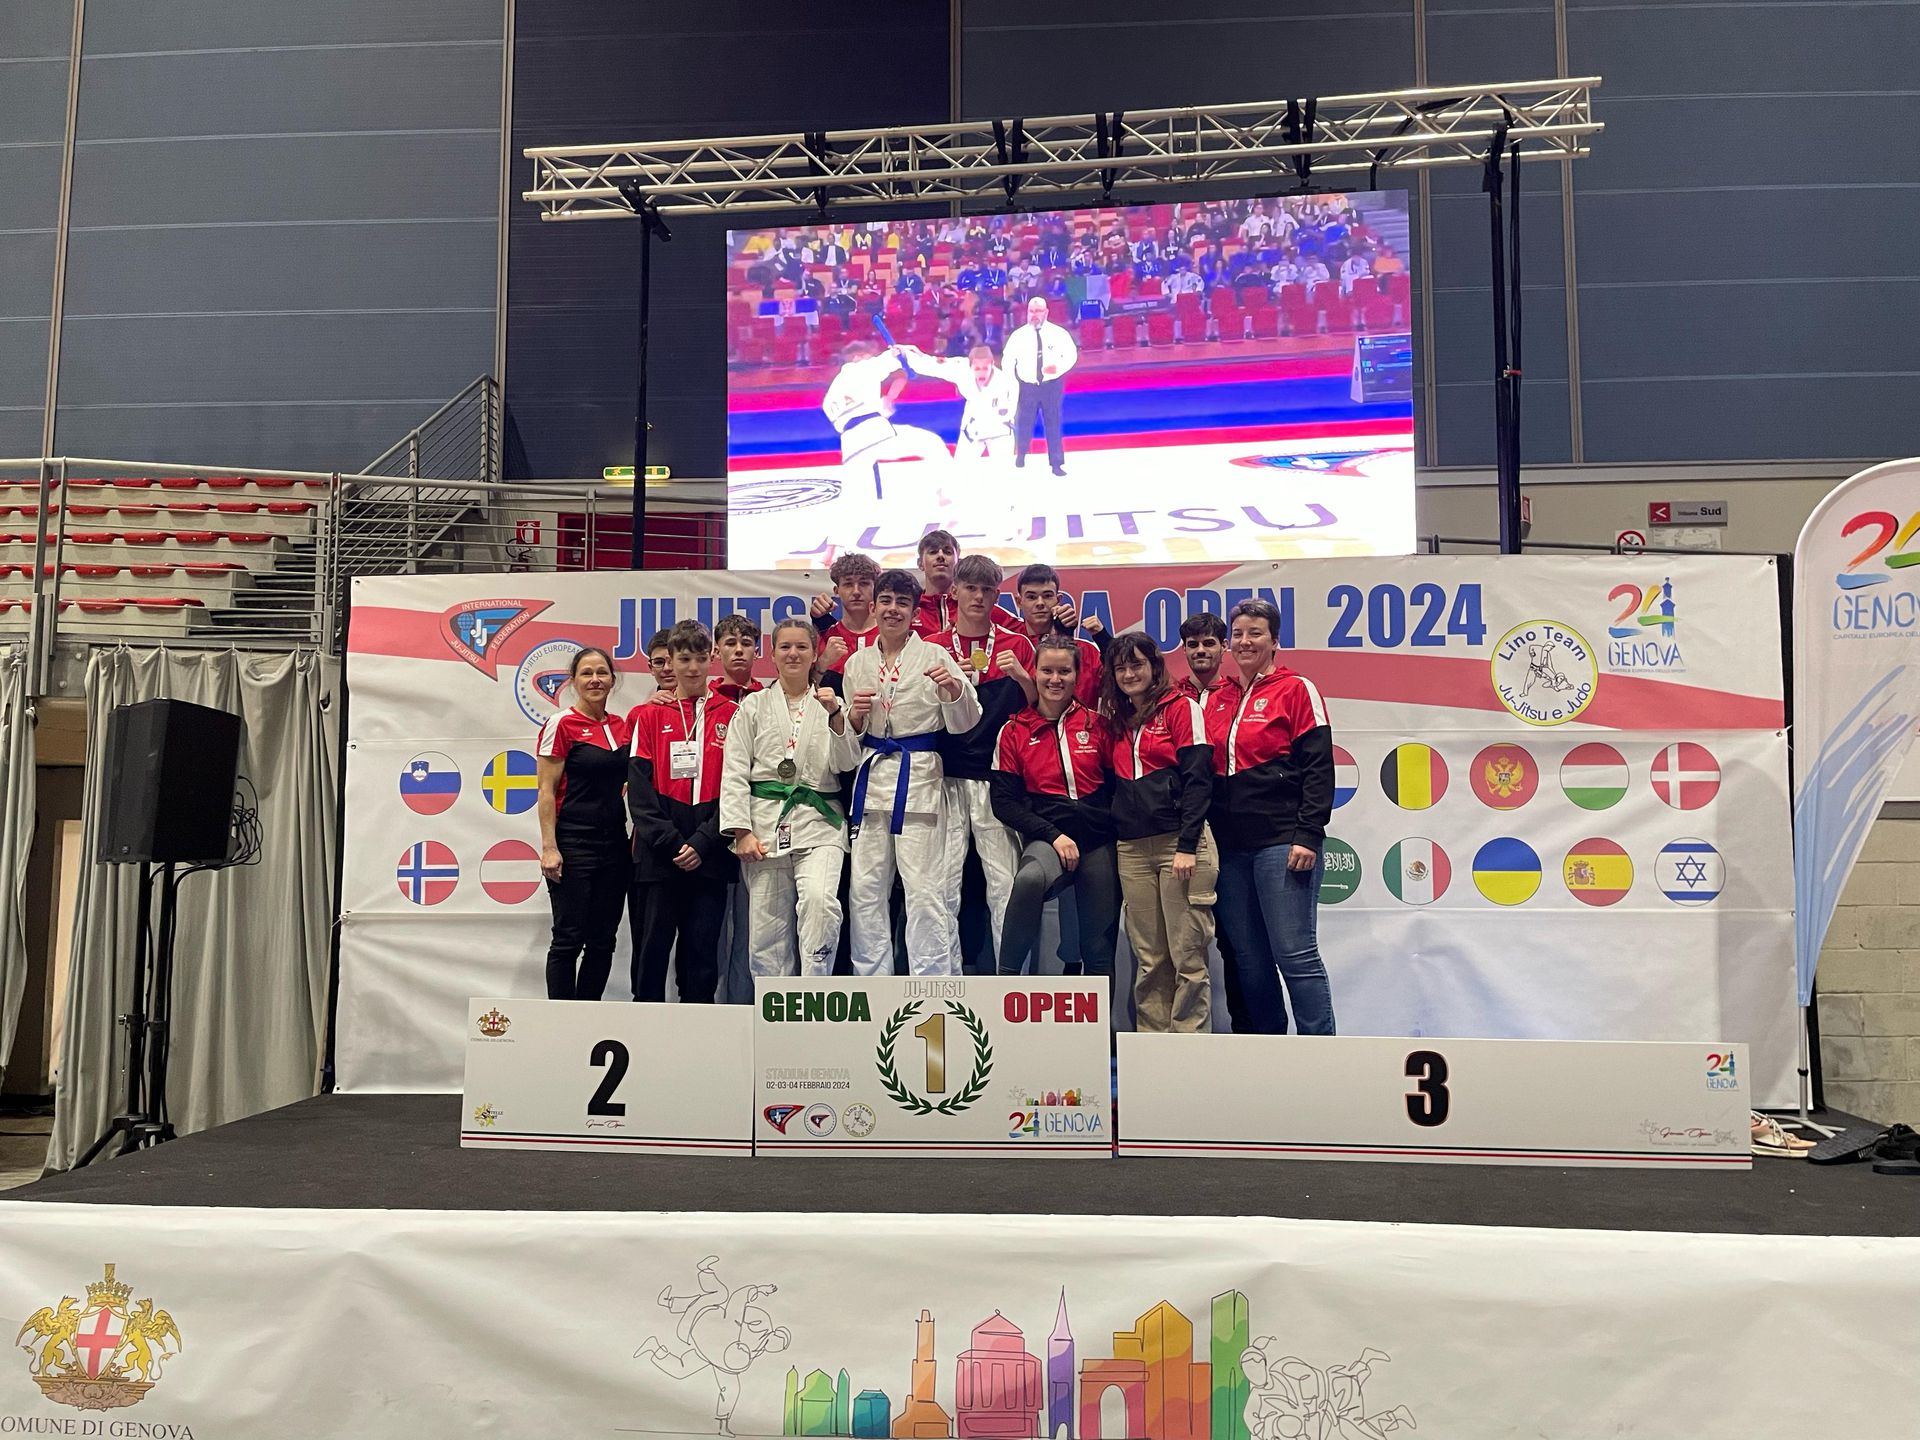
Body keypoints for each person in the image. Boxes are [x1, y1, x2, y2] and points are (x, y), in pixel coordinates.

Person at [842, 570, 981, 976]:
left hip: (918, 778)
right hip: (872, 780)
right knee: (865, 889)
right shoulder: (857, 663)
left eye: (903, 603)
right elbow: (849, 738)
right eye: (886, 601)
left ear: (915, 612)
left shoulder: (936, 656)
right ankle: (871, 982)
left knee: (923, 889)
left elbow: (967, 720)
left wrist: (954, 691)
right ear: (873, 607)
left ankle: (931, 980)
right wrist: (854, 718)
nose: (893, 609)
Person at [1210, 598, 1336, 1035]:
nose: (1245, 641)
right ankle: (1271, 1056)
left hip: (1282, 842)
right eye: (1238, 634)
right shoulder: (1218, 698)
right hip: (1229, 849)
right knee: (1249, 959)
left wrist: (1308, 833)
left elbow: (1319, 767)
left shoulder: (1296, 689)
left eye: (1255, 633)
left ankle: (1321, 1052)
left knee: (1294, 954)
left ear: (1275, 640)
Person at [719, 618, 861, 980]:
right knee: (766, 929)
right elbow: (734, 770)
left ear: (815, 654)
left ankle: (815, 988)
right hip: (765, 824)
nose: (793, 654)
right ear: (773, 654)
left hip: (821, 822)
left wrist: (836, 716)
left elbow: (846, 763)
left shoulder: (832, 703)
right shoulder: (753, 706)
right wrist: (740, 832)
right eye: (785, 647)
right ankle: (773, 1002)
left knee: (820, 902)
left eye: (802, 647)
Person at [1103, 632, 1217, 1033]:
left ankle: (1188, 1048)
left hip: (1179, 845)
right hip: (1132, 848)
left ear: (1155, 667)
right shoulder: (1117, 720)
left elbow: (1199, 781)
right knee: (1149, 957)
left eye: (1137, 665)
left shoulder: (1182, 708)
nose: (1129, 674)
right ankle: (1150, 1047)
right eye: (1121, 668)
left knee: (1187, 955)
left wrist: (1187, 845)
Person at [930, 554, 1036, 971]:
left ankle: (1012, 983)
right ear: (954, 591)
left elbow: (1039, 710)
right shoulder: (932, 646)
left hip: (997, 779)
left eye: (987, 590)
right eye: (970, 588)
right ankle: (943, 980)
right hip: (945, 777)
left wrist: (1023, 678)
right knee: (942, 885)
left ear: (997, 595)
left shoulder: (1018, 644)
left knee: (1005, 885)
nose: (978, 597)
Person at [991, 637, 1119, 980]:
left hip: (1097, 842)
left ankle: (1099, 1015)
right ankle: (1005, 984)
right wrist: (1053, 835)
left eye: (1064, 671)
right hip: (1049, 839)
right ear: (1034, 673)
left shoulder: (1098, 725)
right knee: (1029, 880)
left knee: (1098, 948)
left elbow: (1117, 789)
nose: (1055, 679)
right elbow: (1003, 803)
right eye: (1047, 670)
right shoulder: (1013, 730)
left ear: (1077, 676)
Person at [626, 620, 736, 1004]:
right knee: (651, 954)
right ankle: (645, 1030)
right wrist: (672, 843)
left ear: (712, 659)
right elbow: (639, 793)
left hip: (710, 852)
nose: (692, 668)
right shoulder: (649, 716)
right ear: (669, 661)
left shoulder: (733, 714)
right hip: (659, 855)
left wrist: (704, 841)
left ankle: (698, 1032)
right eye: (684, 659)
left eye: (700, 659)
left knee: (702, 957)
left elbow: (738, 788)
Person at [534, 647, 632, 1000]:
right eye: (586, 673)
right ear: (574, 681)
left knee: (603, 940)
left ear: (612, 680)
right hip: (573, 843)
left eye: (601, 673)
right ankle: (562, 1020)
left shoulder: (623, 727)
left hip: (615, 845)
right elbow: (546, 791)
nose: (595, 680)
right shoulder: (561, 724)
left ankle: (589, 1016)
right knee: (568, 938)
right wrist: (549, 848)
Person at [820, 339, 952, 514]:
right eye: (868, 357)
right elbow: (890, 359)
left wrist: (883, 405)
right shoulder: (860, 368)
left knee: (855, 496)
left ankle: (846, 530)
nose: (870, 359)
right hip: (876, 434)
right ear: (858, 357)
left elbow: (856, 412)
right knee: (932, 442)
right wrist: (901, 351)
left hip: (851, 444)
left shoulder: (831, 395)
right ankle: (946, 495)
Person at [1004, 295, 1078, 477]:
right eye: (1031, 311)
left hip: (1051, 385)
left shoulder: (1058, 334)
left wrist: (1058, 368)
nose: (1034, 315)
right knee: (1024, 421)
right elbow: (1008, 361)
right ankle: (1021, 455)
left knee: (1053, 422)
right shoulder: (1018, 336)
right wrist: (1011, 383)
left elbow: (1071, 355)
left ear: (1046, 312)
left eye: (1038, 311)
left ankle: (1056, 463)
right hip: (1026, 386)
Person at [1013, 564, 1106, 708]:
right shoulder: (1011, 649)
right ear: (1019, 601)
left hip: (1083, 722)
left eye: (1047, 596)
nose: (1040, 603)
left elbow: (1121, 686)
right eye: (1031, 597)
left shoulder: (1087, 651)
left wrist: (1103, 638)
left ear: (1058, 599)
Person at [809, 550, 882, 688]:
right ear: (836, 591)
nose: (856, 591)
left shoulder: (890, 636)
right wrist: (822, 662)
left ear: (876, 588)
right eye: (848, 584)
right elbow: (804, 691)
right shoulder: (825, 636)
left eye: (864, 583)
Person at [647, 628, 675, 697]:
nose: (667, 668)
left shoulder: (700, 702)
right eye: (659, 662)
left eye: (672, 661)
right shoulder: (648, 703)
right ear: (651, 668)